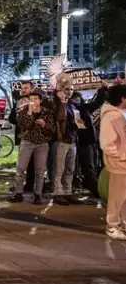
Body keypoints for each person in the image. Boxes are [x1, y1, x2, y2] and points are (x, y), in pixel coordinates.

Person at [10, 89, 55, 205]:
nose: (33, 101)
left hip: (42, 143)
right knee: (20, 168)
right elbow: (24, 125)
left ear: (40, 100)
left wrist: (44, 125)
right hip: (27, 141)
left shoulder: (47, 112)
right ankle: (18, 193)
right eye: (31, 99)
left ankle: (37, 195)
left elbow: (52, 130)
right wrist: (29, 112)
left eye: (35, 99)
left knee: (40, 170)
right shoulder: (24, 111)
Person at [99, 84, 126, 240]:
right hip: (118, 163)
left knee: (123, 196)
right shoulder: (111, 116)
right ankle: (112, 226)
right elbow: (107, 143)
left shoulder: (119, 114)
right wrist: (121, 156)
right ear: (122, 98)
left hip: (122, 162)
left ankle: (122, 223)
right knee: (117, 197)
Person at [52, 73, 81, 205]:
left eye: (71, 89)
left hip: (72, 140)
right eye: (67, 89)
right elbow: (60, 118)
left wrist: (79, 124)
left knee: (70, 169)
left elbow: (76, 121)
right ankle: (58, 193)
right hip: (61, 141)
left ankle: (67, 192)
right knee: (59, 169)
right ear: (60, 90)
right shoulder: (56, 103)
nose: (69, 92)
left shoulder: (73, 105)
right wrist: (62, 101)